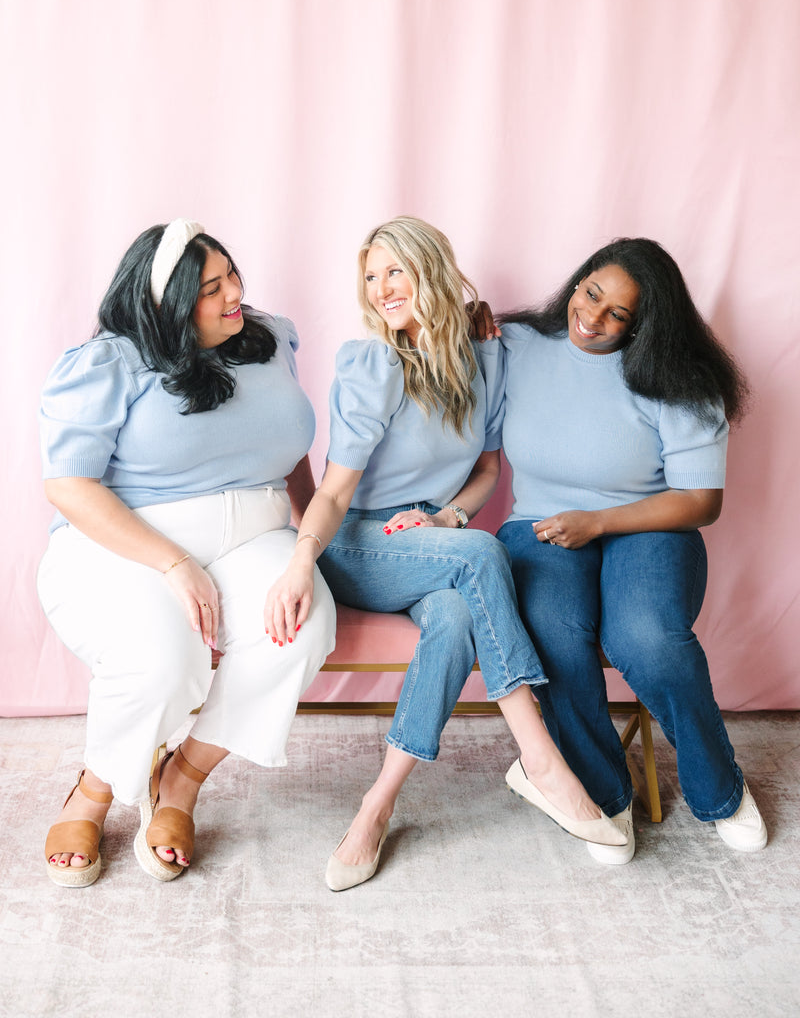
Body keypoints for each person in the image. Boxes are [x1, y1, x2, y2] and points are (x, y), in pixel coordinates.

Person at [266, 216, 626, 892]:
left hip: (432, 539)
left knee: (459, 615)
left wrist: (448, 515)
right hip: (356, 543)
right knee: (482, 554)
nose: (381, 290)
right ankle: (542, 761)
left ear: (430, 269)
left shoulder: (483, 357)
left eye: (395, 271)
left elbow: (487, 471)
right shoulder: (372, 365)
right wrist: (300, 559)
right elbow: (337, 489)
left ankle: (375, 807)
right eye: (371, 277)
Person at [38, 220, 336, 886]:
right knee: (161, 661)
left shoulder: (268, 338)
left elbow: (290, 451)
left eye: (232, 274)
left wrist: (311, 539)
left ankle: (181, 779)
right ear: (165, 304)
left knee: (302, 629)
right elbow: (68, 484)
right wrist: (174, 564)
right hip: (129, 546)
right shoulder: (109, 361)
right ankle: (93, 790)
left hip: (256, 535)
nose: (235, 293)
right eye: (211, 288)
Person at [494, 236, 767, 865]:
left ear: (648, 325)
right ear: (578, 280)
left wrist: (598, 522)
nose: (593, 318)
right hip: (539, 522)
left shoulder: (679, 378)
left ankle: (720, 790)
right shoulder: (519, 345)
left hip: (651, 526)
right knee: (554, 630)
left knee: (645, 636)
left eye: (619, 314)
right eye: (591, 294)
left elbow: (701, 500)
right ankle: (603, 793)